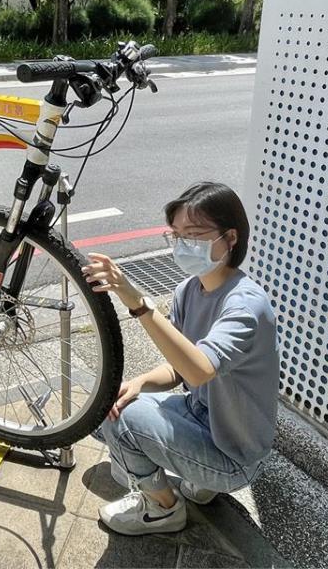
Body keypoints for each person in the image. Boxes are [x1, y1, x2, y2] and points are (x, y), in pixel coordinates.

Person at [81, 181, 279, 536]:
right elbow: (178, 367)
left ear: (230, 238)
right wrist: (138, 383)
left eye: (195, 234)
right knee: (103, 409)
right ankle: (198, 480)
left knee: (121, 422)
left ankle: (162, 508)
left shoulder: (245, 304)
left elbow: (199, 371)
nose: (184, 244)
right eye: (176, 235)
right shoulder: (190, 289)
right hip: (202, 416)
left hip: (234, 452)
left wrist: (137, 302)